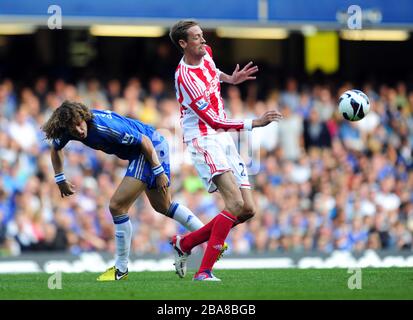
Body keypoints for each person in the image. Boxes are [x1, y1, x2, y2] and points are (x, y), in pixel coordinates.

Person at [41, 100, 210, 281]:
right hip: (145, 148)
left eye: (80, 125)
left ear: (83, 117)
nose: (79, 131)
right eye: (74, 129)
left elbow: (144, 141)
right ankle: (209, 237)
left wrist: (158, 170)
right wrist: (59, 178)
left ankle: (121, 270)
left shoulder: (103, 127)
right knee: (163, 206)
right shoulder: (71, 128)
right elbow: (56, 148)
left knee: (116, 206)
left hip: (149, 147)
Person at [169, 20, 283, 281]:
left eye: (202, 35)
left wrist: (229, 79)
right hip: (203, 138)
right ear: (183, 44)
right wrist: (255, 123)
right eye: (196, 37)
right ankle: (204, 271)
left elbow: (212, 72)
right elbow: (213, 122)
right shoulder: (184, 78)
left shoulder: (206, 53)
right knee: (233, 203)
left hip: (222, 138)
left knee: (248, 209)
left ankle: (185, 244)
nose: (203, 40)